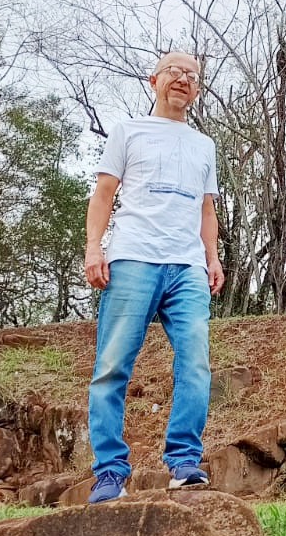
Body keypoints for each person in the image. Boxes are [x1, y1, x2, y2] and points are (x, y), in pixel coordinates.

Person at [82, 51, 226, 504]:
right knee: (111, 367)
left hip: (188, 267)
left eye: (192, 75)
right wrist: (93, 248)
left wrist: (213, 258)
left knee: (196, 363)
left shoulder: (204, 145)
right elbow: (104, 193)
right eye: (174, 72)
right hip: (133, 258)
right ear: (155, 80)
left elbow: (207, 208)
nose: (182, 79)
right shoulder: (127, 131)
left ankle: (184, 462)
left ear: (197, 88)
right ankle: (109, 472)